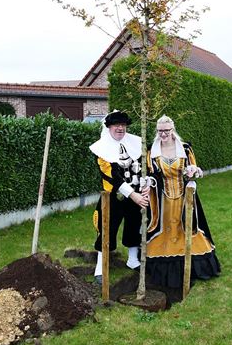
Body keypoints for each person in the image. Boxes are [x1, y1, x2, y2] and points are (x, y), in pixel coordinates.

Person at [144, 115, 221, 288]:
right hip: (163, 198)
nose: (163, 134)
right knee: (165, 229)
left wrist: (193, 172)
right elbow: (150, 174)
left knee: (186, 226)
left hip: (184, 196)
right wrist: (149, 181)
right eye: (160, 131)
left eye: (167, 131)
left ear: (173, 130)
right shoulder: (151, 150)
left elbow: (194, 169)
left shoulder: (185, 149)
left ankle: (193, 265)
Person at [89, 110, 149, 284]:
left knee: (134, 225)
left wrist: (146, 185)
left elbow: (145, 168)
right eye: (116, 125)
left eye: (123, 125)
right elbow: (111, 176)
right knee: (107, 229)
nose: (120, 128)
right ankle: (100, 268)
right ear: (109, 127)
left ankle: (132, 260)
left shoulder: (137, 143)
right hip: (112, 197)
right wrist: (132, 194)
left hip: (136, 196)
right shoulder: (101, 149)